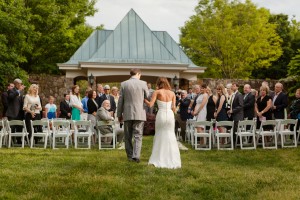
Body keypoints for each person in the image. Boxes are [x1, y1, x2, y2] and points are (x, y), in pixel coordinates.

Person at [145, 77, 181, 169]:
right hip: (169, 114)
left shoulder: (157, 92)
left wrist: (143, 99)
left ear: (158, 83)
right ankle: (172, 157)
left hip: (161, 114)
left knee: (160, 134)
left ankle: (159, 157)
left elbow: (150, 104)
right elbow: (174, 108)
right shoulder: (172, 93)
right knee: (170, 135)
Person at [117, 68, 149, 163]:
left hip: (127, 113)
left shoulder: (124, 84)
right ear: (138, 74)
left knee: (128, 136)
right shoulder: (143, 83)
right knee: (138, 135)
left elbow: (120, 101)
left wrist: (119, 114)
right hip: (139, 112)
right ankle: (136, 155)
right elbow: (147, 97)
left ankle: (130, 156)